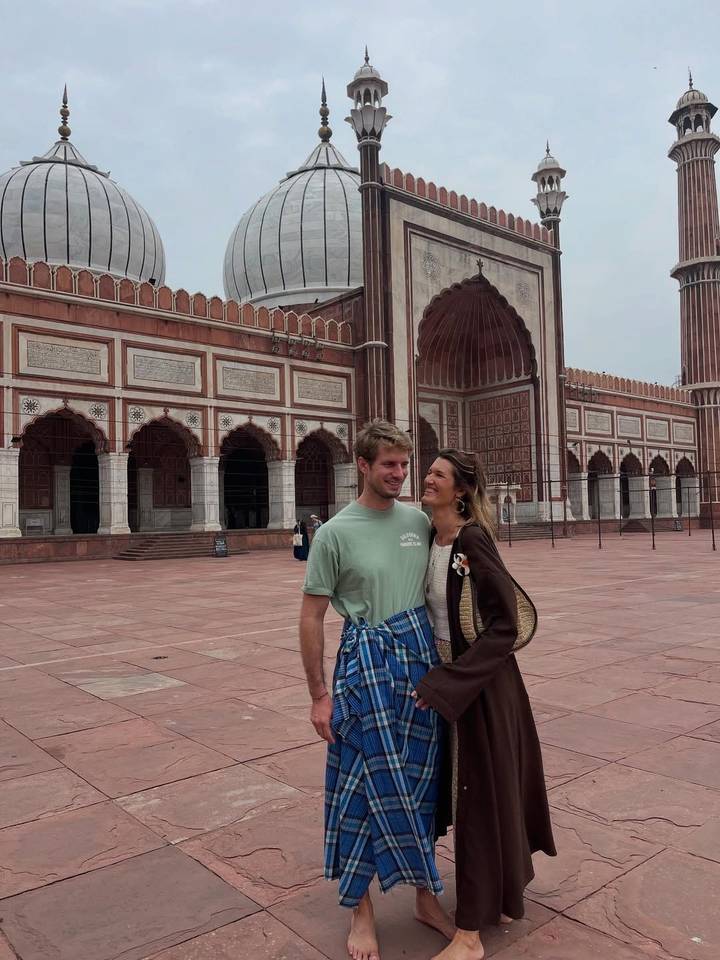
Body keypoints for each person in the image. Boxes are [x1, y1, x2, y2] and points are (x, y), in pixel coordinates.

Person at [299, 420, 454, 960]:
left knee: (420, 780)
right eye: (388, 464)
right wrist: (320, 693)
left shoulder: (418, 519)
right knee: (357, 785)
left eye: (404, 464)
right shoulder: (335, 533)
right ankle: (361, 910)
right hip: (363, 664)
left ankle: (425, 895)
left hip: (416, 663)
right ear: (363, 466)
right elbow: (312, 616)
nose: (399, 473)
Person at [414, 449, 556, 960]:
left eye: (438, 475)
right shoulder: (434, 538)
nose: (426, 478)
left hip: (482, 687)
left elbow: (506, 626)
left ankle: (470, 934)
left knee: (477, 796)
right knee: (476, 793)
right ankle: (497, 896)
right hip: (454, 682)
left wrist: (453, 680)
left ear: (461, 491)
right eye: (427, 471)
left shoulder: (472, 539)